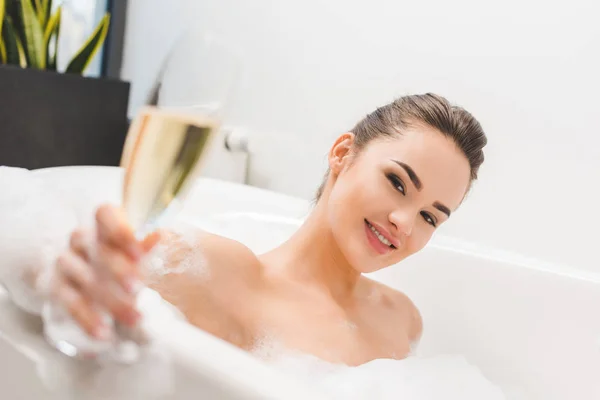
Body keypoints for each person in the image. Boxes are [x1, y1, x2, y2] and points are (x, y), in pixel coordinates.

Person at [49, 93, 487, 366]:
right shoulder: (219, 274)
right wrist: (80, 272)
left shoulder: (404, 321)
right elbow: (83, 252)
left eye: (431, 216)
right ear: (342, 154)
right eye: (397, 182)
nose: (404, 223)